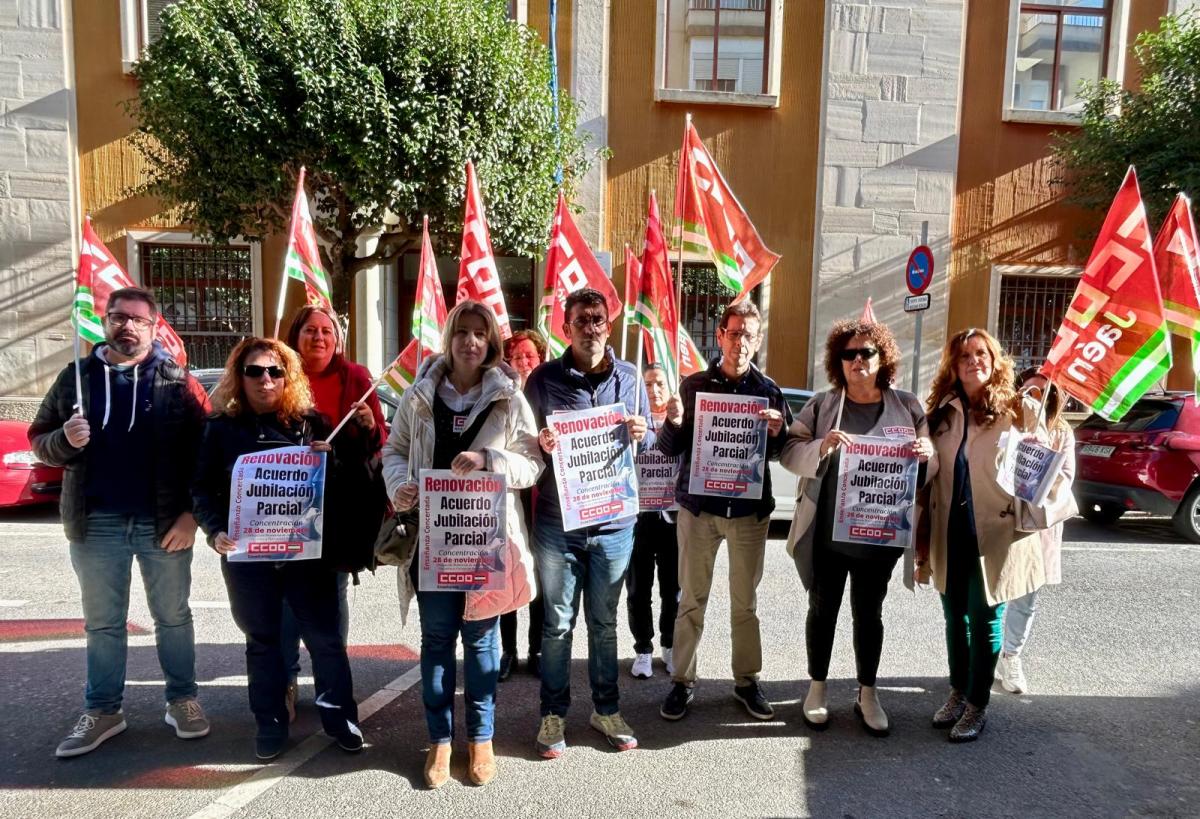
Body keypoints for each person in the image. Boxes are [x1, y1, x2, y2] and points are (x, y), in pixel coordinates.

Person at [30, 287, 211, 758]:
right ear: (105, 323)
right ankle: (104, 709)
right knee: (104, 623)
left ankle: (183, 700)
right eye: (117, 318)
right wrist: (64, 440)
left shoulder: (177, 381)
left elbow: (205, 455)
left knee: (173, 617)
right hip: (96, 523)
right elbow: (39, 440)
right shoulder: (77, 377)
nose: (126, 326)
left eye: (137, 319)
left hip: (164, 523)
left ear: (154, 327)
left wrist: (192, 516)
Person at [381, 300, 542, 789]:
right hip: (431, 546)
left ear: (491, 342)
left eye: (480, 334)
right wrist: (398, 485)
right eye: (462, 333)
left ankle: (481, 739)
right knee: (434, 643)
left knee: (481, 645)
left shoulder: (510, 397)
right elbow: (395, 451)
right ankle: (439, 741)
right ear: (449, 338)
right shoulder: (418, 395)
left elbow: (532, 462)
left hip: (485, 546)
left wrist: (491, 458)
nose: (471, 342)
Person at [192, 337, 361, 760]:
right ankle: (269, 723)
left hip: (307, 559)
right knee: (263, 642)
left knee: (325, 642)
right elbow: (201, 490)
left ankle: (341, 719)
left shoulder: (314, 424)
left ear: (289, 377)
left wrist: (335, 459)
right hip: (250, 560)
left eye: (274, 371)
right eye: (254, 371)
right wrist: (214, 532)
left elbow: (347, 489)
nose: (265, 379)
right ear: (239, 377)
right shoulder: (219, 429)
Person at [780, 319, 934, 736]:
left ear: (882, 358)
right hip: (828, 536)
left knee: (869, 614)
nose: (858, 360)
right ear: (838, 361)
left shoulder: (908, 406)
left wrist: (926, 454)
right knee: (822, 610)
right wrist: (821, 446)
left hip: (879, 538)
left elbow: (930, 464)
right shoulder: (823, 404)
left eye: (866, 352)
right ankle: (817, 688)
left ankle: (868, 692)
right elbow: (790, 450)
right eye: (849, 354)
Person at [524, 287, 652, 758]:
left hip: (615, 524)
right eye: (582, 320)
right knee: (557, 625)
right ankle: (553, 714)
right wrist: (541, 442)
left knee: (604, 624)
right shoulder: (541, 380)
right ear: (566, 327)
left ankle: (606, 709)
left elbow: (650, 435)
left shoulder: (631, 377)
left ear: (609, 325)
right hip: (559, 525)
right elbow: (523, 444)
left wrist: (644, 429)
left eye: (598, 319)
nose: (591, 328)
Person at [655, 300, 791, 722]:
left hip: (749, 515)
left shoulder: (769, 390)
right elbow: (667, 449)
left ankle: (746, 681)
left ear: (758, 339)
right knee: (690, 600)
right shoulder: (693, 386)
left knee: (744, 603)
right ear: (720, 337)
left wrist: (777, 431)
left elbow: (782, 452)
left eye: (749, 334)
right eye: (734, 333)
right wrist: (673, 421)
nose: (741, 342)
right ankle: (682, 681)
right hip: (700, 511)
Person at [923, 328, 1048, 742]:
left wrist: (1039, 426)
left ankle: (978, 704)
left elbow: (1044, 461)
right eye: (964, 356)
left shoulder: (1017, 410)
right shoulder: (941, 411)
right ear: (953, 366)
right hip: (948, 529)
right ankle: (958, 691)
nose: (973, 361)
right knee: (953, 616)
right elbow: (930, 472)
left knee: (985, 615)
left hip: (994, 531)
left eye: (981, 354)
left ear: (994, 361)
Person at [280, 305, 386, 721]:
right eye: (310, 330)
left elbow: (379, 441)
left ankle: (331, 681)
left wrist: (364, 424)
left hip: (340, 507)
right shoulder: (279, 371)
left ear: (337, 339)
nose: (319, 338)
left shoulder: (356, 378)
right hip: (286, 505)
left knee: (333, 594)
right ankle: (286, 679)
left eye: (327, 331)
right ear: (295, 335)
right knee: (286, 598)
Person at [998, 367, 1076, 694]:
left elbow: (1065, 481)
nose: (1035, 400)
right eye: (1029, 392)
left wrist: (1040, 451)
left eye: (1044, 393)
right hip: (1000, 523)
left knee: (1025, 599)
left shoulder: (1062, 433)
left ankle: (1011, 656)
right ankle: (983, 659)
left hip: (1036, 528)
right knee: (992, 597)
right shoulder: (1002, 424)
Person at [498, 328, 548, 681]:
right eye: (517, 357)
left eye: (530, 356)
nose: (524, 362)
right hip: (511, 499)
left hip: (543, 500)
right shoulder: (503, 398)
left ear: (541, 359)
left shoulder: (550, 394)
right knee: (509, 573)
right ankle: (508, 652)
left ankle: (537, 650)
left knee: (542, 577)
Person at [627, 363, 680, 679]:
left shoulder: (682, 422)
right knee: (637, 589)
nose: (654, 390)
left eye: (660, 383)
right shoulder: (633, 422)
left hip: (673, 520)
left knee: (673, 589)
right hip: (639, 518)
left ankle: (670, 646)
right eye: (648, 384)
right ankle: (643, 649)